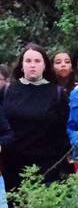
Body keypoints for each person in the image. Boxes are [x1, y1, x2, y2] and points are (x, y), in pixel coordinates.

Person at [2, 45, 71, 189]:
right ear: (21, 65)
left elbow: (62, 132)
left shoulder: (56, 94)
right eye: (28, 61)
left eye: (37, 61)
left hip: (47, 165)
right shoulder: (8, 91)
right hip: (13, 166)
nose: (32, 65)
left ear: (45, 65)